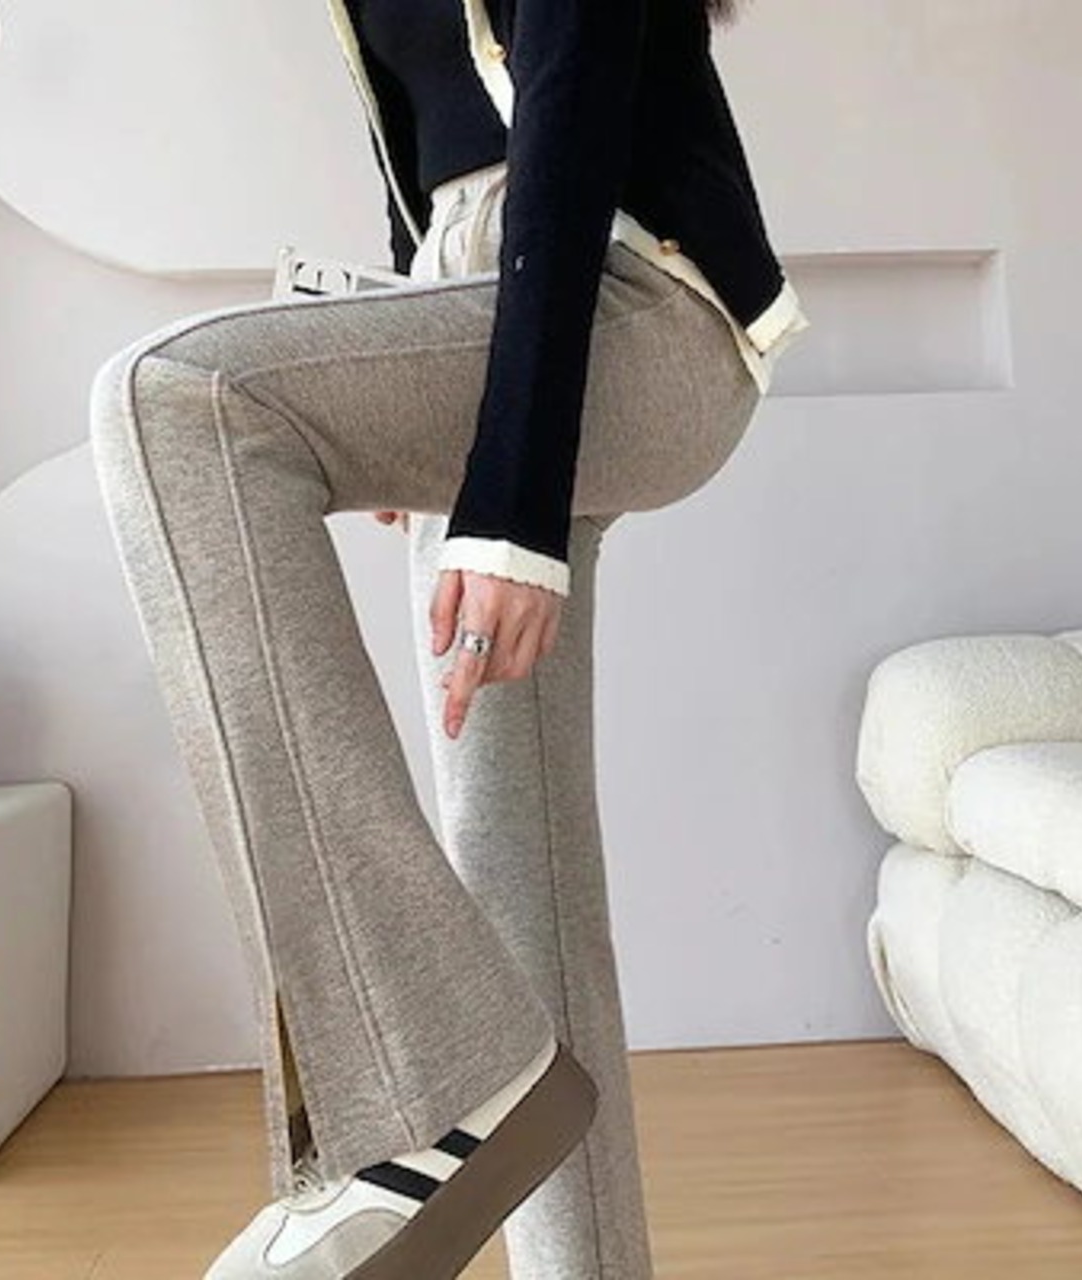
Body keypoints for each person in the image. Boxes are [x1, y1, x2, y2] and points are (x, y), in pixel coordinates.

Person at [88, 0, 807, 1276]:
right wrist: (389, 371)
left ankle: (410, 1085)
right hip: (479, 302)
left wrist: (510, 503)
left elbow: (569, 110)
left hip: (626, 298)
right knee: (511, 856)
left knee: (173, 397)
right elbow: (419, 149)